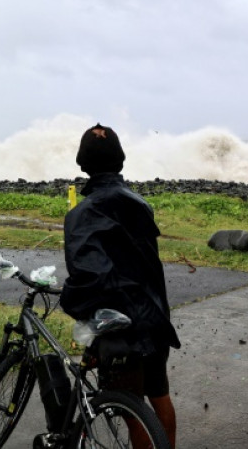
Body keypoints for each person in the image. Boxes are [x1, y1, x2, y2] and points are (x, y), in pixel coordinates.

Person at [60, 123, 180, 448]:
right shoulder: (139, 203)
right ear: (121, 161)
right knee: (159, 397)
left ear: (82, 164)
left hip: (123, 327)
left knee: (132, 409)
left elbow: (90, 277)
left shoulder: (83, 213)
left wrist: (68, 302)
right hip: (154, 317)